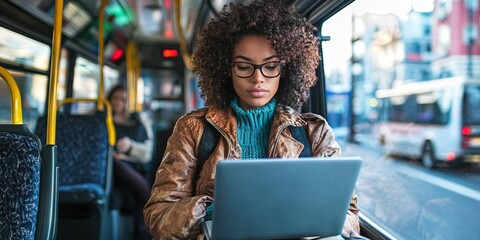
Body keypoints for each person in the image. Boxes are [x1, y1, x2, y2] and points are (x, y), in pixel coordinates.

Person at [143, 0, 361, 239]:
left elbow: (349, 214)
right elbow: (158, 215)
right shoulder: (193, 129)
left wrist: (310, 223)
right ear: (227, 68)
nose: (258, 78)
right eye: (244, 67)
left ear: (285, 69)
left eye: (270, 66)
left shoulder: (314, 132)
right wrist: (212, 212)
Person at [107, 84, 153, 239]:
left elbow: (147, 154)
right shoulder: (102, 121)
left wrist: (130, 146)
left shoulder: (138, 122)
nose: (118, 103)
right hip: (110, 169)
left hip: (133, 168)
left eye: (123, 100)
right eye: (115, 98)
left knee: (121, 166)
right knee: (116, 164)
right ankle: (151, 204)